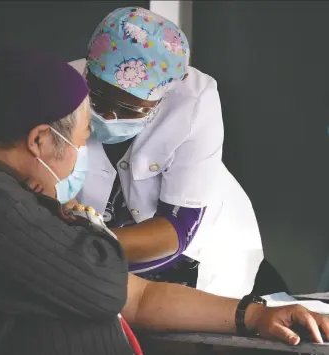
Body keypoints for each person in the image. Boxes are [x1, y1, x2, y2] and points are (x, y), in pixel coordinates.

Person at [0, 48, 328, 355]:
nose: (86, 149)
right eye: (80, 142)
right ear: (40, 140)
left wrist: (256, 315)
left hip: (211, 263)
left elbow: (137, 295)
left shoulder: (13, 197)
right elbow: (110, 288)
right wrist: (85, 233)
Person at [68, 7, 264, 298]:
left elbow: (175, 229)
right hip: (94, 256)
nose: (109, 116)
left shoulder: (194, 104)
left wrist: (81, 248)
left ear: (162, 99)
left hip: (199, 254)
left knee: (174, 328)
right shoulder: (61, 86)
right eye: (97, 96)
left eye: (130, 109)